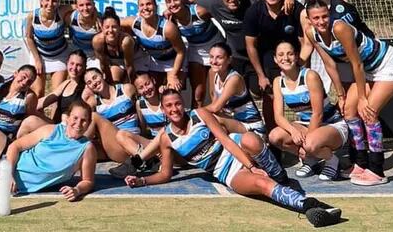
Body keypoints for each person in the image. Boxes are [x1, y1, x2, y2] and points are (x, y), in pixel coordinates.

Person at [122, 89, 342, 228]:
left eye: (177, 103)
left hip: (237, 149)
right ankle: (313, 207)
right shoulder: (166, 139)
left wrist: (250, 165)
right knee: (262, 184)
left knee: (251, 140)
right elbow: (165, 173)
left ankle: (280, 176)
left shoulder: (200, 114)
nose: (174, 109)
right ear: (163, 109)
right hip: (225, 171)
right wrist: (141, 180)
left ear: (183, 103)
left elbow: (226, 140)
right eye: (169, 106)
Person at [305, 0, 393, 186]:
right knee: (348, 111)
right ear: (309, 19)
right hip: (370, 70)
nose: (321, 21)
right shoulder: (311, 33)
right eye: (316, 18)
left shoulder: (340, 28)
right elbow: (329, 64)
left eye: (325, 16)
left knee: (369, 113)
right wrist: (340, 94)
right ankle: (361, 163)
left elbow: (357, 63)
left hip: (388, 64)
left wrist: (363, 98)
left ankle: (377, 170)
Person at [193, 0, 295, 97]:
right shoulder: (214, 3)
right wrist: (171, 9)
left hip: (256, 57)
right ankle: (220, 110)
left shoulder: (253, 1)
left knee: (264, 91)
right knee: (218, 77)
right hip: (235, 57)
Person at [244, 0, 309, 146]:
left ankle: (309, 139)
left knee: (304, 98)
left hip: (293, 59)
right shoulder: (253, 12)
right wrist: (260, 75)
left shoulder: (294, 8)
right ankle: (276, 144)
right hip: (268, 60)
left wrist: (302, 65)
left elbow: (305, 40)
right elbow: (251, 46)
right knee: (270, 99)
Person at [268, 41, 348, 181]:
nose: (285, 58)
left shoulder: (309, 76)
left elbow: (318, 114)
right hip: (304, 124)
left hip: (331, 124)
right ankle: (312, 161)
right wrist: (294, 131)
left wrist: (307, 146)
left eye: (290, 54)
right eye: (280, 55)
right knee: (274, 136)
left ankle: (332, 161)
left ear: (297, 56)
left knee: (310, 144)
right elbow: (279, 116)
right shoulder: (277, 82)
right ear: (275, 59)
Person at [164, 0, 223, 107]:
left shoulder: (200, 11)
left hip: (215, 49)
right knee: (198, 94)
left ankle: (218, 120)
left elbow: (218, 4)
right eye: (169, 2)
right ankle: (196, 120)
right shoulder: (171, 19)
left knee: (215, 93)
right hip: (196, 52)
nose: (173, 4)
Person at [122, 0, 186, 90]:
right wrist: (97, 18)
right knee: (149, 90)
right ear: (138, 8)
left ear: (156, 6)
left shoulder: (168, 28)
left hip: (174, 61)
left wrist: (174, 75)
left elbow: (181, 52)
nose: (145, 8)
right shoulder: (134, 23)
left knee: (172, 91)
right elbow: (113, 23)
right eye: (141, 5)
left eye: (149, 4)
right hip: (154, 61)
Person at [205, 42, 266, 137]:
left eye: (219, 58)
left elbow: (216, 107)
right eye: (211, 57)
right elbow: (215, 104)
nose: (214, 61)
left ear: (229, 60)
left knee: (212, 118)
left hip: (251, 126)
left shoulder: (234, 79)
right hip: (235, 122)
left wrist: (194, 112)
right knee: (212, 119)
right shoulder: (212, 72)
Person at [83, 68, 144, 163]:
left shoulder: (126, 89)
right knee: (85, 149)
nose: (94, 83)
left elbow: (143, 105)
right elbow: (80, 115)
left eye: (95, 77)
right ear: (88, 87)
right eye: (89, 82)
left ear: (102, 75)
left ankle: (144, 159)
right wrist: (84, 97)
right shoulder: (94, 102)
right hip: (114, 146)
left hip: (132, 141)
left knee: (94, 116)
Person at [24, 0, 71, 97]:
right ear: (41, 0)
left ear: (58, 2)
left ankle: (56, 114)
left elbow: (81, 7)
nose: (50, 3)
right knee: (37, 93)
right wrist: (37, 60)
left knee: (57, 95)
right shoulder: (32, 16)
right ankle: (36, 114)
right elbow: (29, 37)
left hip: (59, 56)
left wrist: (96, 16)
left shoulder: (61, 12)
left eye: (54, 0)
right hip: (39, 55)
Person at [37, 50, 87, 124]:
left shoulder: (86, 87)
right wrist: (28, 106)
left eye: (79, 65)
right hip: (57, 125)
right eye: (72, 63)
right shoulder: (66, 83)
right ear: (67, 63)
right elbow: (46, 99)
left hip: (71, 127)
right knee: (30, 119)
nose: (74, 68)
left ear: (84, 68)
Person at [92, 7, 136, 83]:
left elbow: (129, 66)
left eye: (114, 27)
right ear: (102, 28)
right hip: (112, 61)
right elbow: (103, 64)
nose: (110, 30)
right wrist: (108, 82)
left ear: (119, 28)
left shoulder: (125, 41)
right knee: (113, 80)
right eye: (107, 27)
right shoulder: (97, 41)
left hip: (133, 59)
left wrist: (132, 83)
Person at [66, 0, 101, 69]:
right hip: (77, 54)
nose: (85, 8)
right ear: (77, 7)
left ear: (94, 5)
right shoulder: (70, 18)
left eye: (88, 4)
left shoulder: (101, 20)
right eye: (81, 5)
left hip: (95, 57)